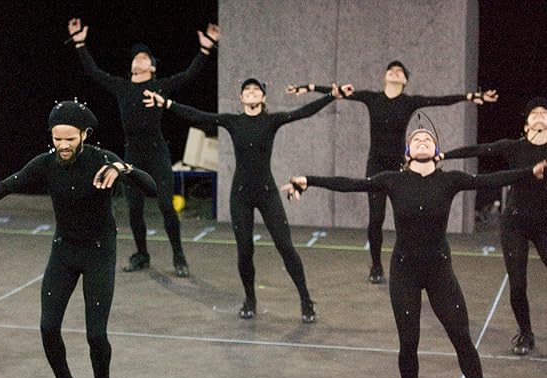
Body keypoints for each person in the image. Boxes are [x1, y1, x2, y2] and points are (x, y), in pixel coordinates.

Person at [283, 123, 547, 378]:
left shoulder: (450, 180)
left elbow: (490, 178)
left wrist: (530, 172)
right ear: (408, 152)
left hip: (439, 271)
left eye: (428, 139)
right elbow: (351, 184)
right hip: (404, 271)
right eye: (416, 139)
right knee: (409, 342)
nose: (422, 140)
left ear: (437, 151)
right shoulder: (393, 180)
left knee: (461, 337)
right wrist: (309, 181)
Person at [0, 101, 156, 378]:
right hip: (65, 251)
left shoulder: (102, 160)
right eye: (57, 139)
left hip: (99, 252)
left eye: (70, 139)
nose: (63, 145)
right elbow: (0, 191)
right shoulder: (46, 163)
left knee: (96, 336)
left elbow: (153, 188)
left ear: (84, 135)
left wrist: (123, 168)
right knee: (48, 327)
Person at [142, 79, 346, 322]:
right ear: (241, 98)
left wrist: (331, 96)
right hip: (241, 195)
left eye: (256, 89)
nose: (251, 92)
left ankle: (305, 300)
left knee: (285, 246)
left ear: (263, 98)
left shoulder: (272, 120)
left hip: (267, 192)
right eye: (247, 90)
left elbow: (303, 112)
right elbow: (198, 115)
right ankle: (250, 300)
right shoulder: (233, 121)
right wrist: (166, 103)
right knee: (245, 250)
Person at [287, 61, 498, 284]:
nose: (395, 72)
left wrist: (470, 97)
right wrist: (308, 88)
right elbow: (339, 92)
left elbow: (440, 100)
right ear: (385, 76)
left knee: (409, 217)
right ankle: (376, 265)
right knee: (376, 218)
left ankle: (414, 262)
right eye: (391, 70)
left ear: (405, 81)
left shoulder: (409, 102)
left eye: (400, 72)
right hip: (376, 166)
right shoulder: (372, 98)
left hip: (400, 167)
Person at [66, 18, 221, 277]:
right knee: (134, 209)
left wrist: (206, 48)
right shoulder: (122, 86)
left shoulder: (159, 86)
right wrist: (79, 43)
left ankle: (178, 255)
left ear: (152, 66)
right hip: (132, 154)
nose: (138, 60)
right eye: (135, 58)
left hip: (157, 152)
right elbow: (93, 71)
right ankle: (142, 255)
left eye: (144, 57)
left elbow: (189, 75)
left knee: (166, 206)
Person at [441, 97, 547, 355]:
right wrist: (443, 155)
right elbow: (478, 150)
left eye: (544, 112)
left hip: (545, 224)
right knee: (518, 284)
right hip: (515, 224)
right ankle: (525, 333)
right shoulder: (514, 147)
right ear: (526, 125)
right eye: (534, 112)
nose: (539, 115)